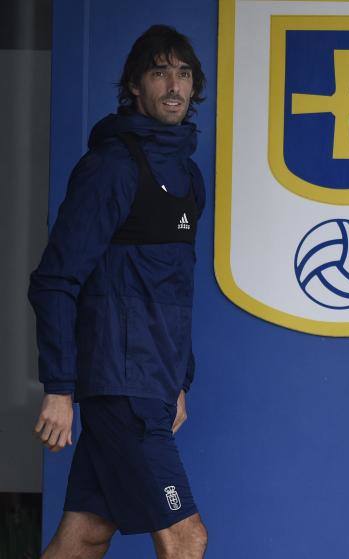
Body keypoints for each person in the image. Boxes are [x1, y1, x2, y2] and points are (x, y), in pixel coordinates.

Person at [29, 25, 208, 559]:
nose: (173, 85)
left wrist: (181, 379)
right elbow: (55, 280)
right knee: (186, 538)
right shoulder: (110, 168)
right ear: (134, 86)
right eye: (159, 73)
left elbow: (172, 287)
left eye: (183, 73)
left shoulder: (188, 178)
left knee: (84, 536)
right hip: (121, 387)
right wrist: (60, 386)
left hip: (151, 385)